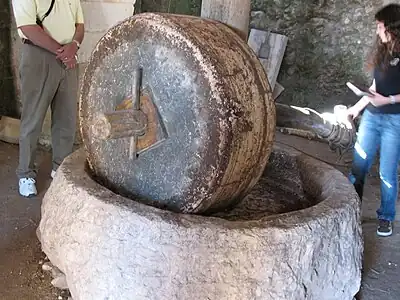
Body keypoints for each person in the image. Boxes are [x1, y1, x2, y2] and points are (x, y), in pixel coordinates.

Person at [12, 0, 85, 197]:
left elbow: (80, 25)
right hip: (40, 55)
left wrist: (74, 45)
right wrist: (63, 53)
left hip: (69, 58)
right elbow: (27, 27)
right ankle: (26, 174)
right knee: (33, 118)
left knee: (66, 118)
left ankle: (60, 168)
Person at [347, 3, 400, 237]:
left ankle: (386, 217)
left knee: (387, 174)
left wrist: (387, 101)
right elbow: (375, 88)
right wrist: (357, 108)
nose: (377, 31)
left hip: (395, 121)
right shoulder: (383, 51)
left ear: (393, 28)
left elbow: (385, 96)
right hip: (372, 118)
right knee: (358, 167)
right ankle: (349, 211)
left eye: (380, 26)